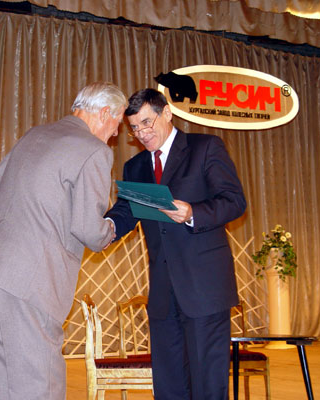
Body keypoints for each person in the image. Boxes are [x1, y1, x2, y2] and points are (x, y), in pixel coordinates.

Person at [0, 82, 128, 399]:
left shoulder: (35, 135)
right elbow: (88, 228)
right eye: (118, 122)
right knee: (39, 381)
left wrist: (2, 246)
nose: (116, 132)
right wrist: (111, 228)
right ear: (105, 113)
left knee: (2, 378)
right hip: (32, 279)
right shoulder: (94, 150)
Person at [105, 88, 246, 399]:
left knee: (208, 385)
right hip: (163, 294)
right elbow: (126, 211)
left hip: (204, 289)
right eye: (134, 128)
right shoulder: (136, 167)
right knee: (169, 387)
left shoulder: (205, 148)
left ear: (167, 113)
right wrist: (106, 227)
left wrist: (194, 213)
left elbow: (234, 201)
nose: (141, 133)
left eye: (147, 123)